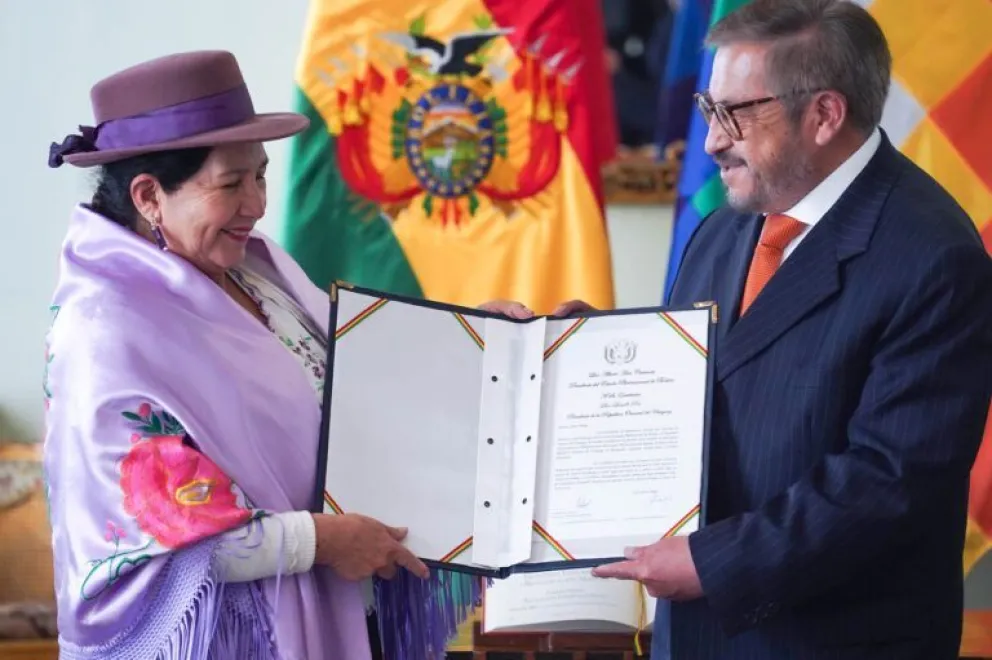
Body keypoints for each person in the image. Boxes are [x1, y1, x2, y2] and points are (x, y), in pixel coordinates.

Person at [511, 1, 992, 657]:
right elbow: (713, 371)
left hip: (831, 639)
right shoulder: (729, 222)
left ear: (824, 115)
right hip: (697, 634)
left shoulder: (933, 256)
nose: (711, 140)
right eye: (710, 109)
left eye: (735, 114)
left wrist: (713, 563)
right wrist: (581, 351)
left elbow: (887, 483)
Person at [43, 50, 511, 660]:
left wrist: (481, 336)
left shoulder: (254, 267)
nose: (257, 204)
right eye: (231, 184)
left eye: (260, 175)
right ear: (149, 195)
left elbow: (354, 374)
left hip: (333, 601)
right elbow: (155, 541)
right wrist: (319, 541)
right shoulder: (104, 332)